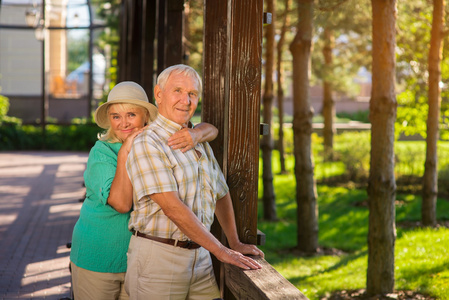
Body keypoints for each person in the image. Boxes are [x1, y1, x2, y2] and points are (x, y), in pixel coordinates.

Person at [70, 81, 219, 300]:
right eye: (116, 116)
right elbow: (121, 204)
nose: (123, 123)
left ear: (146, 117)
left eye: (131, 114)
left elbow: (210, 129)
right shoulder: (102, 152)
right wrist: (124, 153)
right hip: (97, 256)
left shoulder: (155, 143)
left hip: (138, 261)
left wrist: (195, 134)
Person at [125, 64, 264, 300]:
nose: (186, 100)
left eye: (192, 94)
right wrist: (221, 251)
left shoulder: (197, 140)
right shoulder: (148, 142)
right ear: (159, 94)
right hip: (159, 260)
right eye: (177, 90)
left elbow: (220, 192)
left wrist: (234, 242)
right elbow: (172, 207)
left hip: (201, 257)